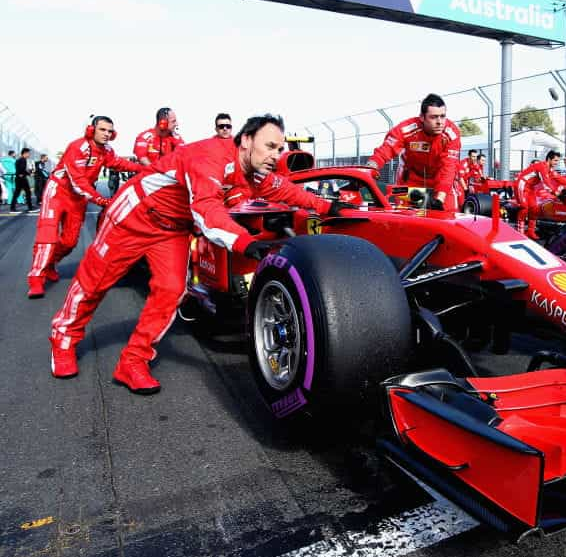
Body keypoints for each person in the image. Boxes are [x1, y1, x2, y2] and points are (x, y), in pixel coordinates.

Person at [48, 114, 348, 393]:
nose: (276, 154)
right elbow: (207, 211)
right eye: (270, 145)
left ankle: (133, 361)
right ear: (245, 140)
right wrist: (244, 242)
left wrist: (328, 207)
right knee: (95, 280)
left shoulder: (251, 170)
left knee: (171, 290)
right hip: (135, 215)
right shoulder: (209, 157)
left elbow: (285, 190)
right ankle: (63, 338)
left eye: (280, 148)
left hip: (173, 229)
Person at [27, 117, 146, 297]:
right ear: (91, 130)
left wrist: (144, 169)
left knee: (69, 242)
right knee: (48, 237)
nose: (106, 134)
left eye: (109, 131)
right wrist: (101, 200)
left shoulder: (107, 150)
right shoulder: (77, 147)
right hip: (58, 192)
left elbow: (119, 163)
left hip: (79, 198)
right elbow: (78, 182)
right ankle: (36, 278)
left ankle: (50, 263)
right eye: (102, 130)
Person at [366, 93, 461, 210]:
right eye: (433, 117)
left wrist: (439, 199)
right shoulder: (406, 129)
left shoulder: (451, 134)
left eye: (442, 116)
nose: (439, 122)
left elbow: (449, 167)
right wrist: (368, 169)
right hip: (411, 177)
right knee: (407, 217)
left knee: (448, 215)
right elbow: (385, 150)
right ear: (422, 117)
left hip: (440, 178)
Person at [515, 150, 566, 238]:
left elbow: (560, 178)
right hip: (522, 185)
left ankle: (530, 231)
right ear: (549, 159)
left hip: (530, 188)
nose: (556, 163)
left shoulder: (550, 169)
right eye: (555, 160)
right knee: (524, 208)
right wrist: (558, 194)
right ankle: (520, 233)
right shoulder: (542, 167)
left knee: (534, 208)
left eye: (558, 161)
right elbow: (546, 184)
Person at [11, 148, 35, 212]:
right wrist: (29, 174)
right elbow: (22, 169)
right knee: (27, 192)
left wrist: (25, 173)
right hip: (21, 179)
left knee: (17, 193)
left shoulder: (20, 159)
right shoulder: (23, 160)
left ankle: (12, 208)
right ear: (25, 153)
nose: (29, 155)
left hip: (20, 178)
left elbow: (20, 169)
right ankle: (30, 208)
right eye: (28, 153)